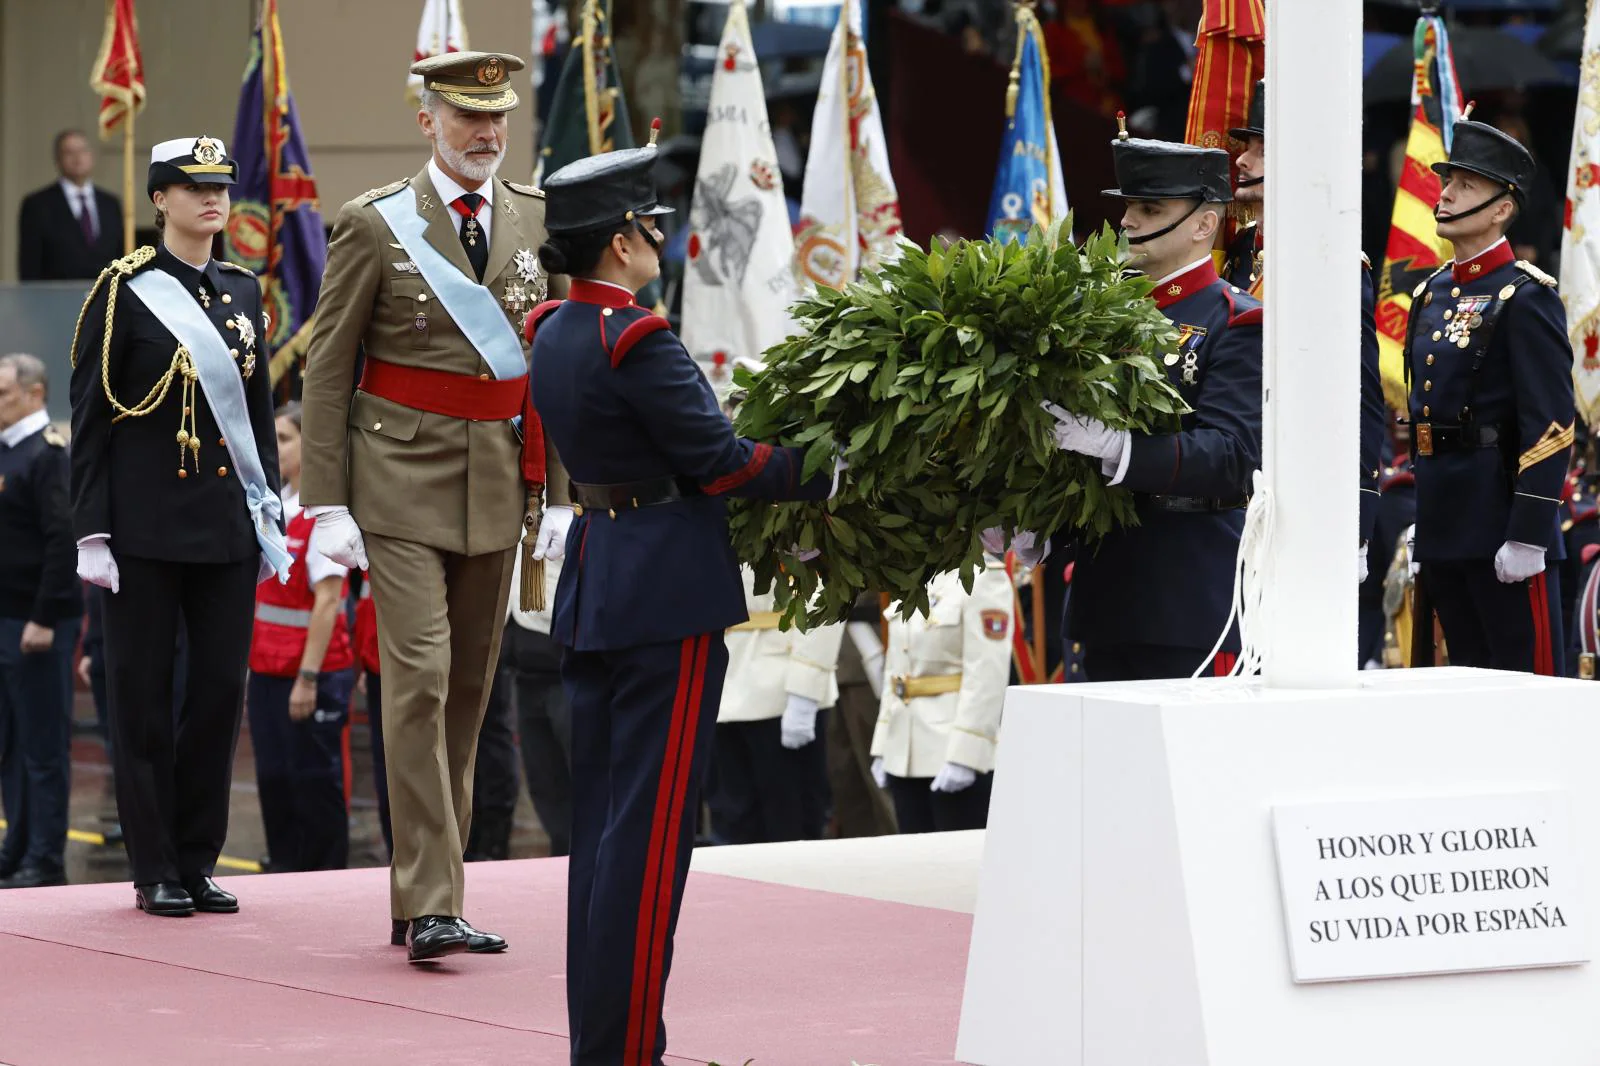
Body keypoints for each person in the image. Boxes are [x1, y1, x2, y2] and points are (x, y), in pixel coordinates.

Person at [528, 143, 835, 1065]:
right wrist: (825, 468)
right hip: (665, 588)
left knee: (607, 835)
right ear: (621, 243)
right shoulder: (636, 338)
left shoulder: (553, 329)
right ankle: (626, 1055)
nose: (660, 239)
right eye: (650, 228)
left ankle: (610, 1044)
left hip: (603, 576)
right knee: (653, 842)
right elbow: (726, 461)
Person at [298, 51, 568, 963]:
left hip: (499, 483)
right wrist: (324, 505)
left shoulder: (535, 216)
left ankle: (423, 896)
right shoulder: (373, 225)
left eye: (497, 120)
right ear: (428, 123)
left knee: (466, 695)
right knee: (416, 681)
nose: (487, 134)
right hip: (398, 484)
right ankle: (432, 898)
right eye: (467, 119)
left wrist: (561, 498)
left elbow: (553, 371)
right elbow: (328, 375)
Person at [70, 135, 287, 918]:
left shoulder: (241, 289)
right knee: (141, 698)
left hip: (225, 528)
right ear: (160, 198)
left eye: (222, 189)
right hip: (143, 532)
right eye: (194, 188)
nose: (214, 201)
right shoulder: (121, 292)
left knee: (220, 695)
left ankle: (197, 857)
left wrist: (270, 512)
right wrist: (90, 530)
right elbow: (89, 421)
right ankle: (154, 864)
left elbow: (257, 417)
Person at [1000, 121, 1263, 681]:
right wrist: (1042, 527)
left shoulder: (1237, 320)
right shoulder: (1099, 317)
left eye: (1148, 208)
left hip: (1188, 598)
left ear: (1204, 224)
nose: (1127, 222)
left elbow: (1232, 456)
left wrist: (1123, 447)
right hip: (1105, 593)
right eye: (1129, 207)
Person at [1403, 116, 1575, 674]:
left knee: (1520, 680)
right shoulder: (1430, 292)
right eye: (1447, 183)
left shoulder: (1526, 297)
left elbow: (1551, 423)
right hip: (1442, 520)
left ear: (1503, 208)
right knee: (1459, 683)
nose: (1446, 195)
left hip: (1501, 521)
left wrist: (1528, 533)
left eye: (1465, 186)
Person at [1224, 78, 1388, 591]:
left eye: (1262, 149)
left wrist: (1358, 520)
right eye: (1245, 147)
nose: (1243, 162)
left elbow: (1360, 395)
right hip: (1235, 479)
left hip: (1303, 484)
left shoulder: (1331, 257)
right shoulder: (1239, 250)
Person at [246, 402, 355, 873]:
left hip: (309, 674)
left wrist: (308, 678)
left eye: (285, 439)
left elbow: (329, 602)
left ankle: (322, 879)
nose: (275, 448)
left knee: (313, 782)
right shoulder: (275, 509)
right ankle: (284, 872)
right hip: (267, 669)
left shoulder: (323, 515)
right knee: (273, 779)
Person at [0, 354, 80, 889]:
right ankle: (18, 844)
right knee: (11, 739)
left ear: (33, 393)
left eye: (2, 392)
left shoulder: (48, 455)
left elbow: (61, 539)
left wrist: (46, 617)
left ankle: (45, 855)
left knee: (44, 744)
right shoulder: (9, 453)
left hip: (36, 621)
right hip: (7, 617)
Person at [869, 560, 1013, 834]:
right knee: (914, 867)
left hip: (953, 748)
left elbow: (986, 674)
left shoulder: (983, 578)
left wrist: (966, 754)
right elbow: (896, 670)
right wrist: (882, 744)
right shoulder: (912, 576)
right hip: (904, 751)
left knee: (959, 867)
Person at [712, 566, 843, 844]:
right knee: (733, 823)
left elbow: (826, 593)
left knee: (790, 825)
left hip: (782, 686)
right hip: (725, 680)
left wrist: (805, 689)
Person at [505, 549, 574, 856]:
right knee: (545, 784)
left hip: (568, 662)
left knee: (584, 779)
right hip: (524, 670)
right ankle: (562, 860)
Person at [17, 129, 125, 281]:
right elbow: (29, 265)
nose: (77, 157)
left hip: (105, 299)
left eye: (82, 150)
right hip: (56, 299)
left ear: (91, 156)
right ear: (58, 159)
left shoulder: (111, 204)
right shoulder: (37, 205)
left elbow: (121, 255)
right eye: (69, 152)